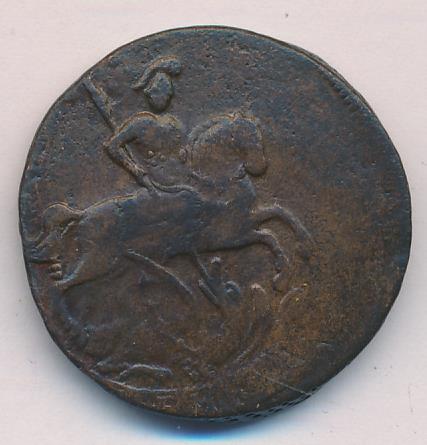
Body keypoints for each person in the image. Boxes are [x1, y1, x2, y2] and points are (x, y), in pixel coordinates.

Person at [103, 56, 185, 190]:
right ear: (150, 93)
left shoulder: (173, 123)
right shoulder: (141, 123)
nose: (168, 96)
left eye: (169, 93)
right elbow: (112, 146)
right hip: (154, 187)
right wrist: (134, 170)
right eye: (163, 92)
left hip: (178, 183)